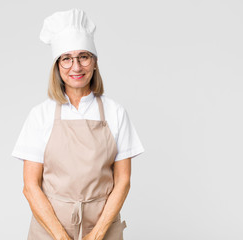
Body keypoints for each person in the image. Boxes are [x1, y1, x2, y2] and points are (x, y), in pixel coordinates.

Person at [11, 8, 144, 240]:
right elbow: (30, 186)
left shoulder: (115, 113)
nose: (76, 67)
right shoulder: (40, 115)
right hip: (49, 229)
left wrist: (97, 234)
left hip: (103, 227)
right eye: (66, 58)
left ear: (94, 62)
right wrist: (62, 237)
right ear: (57, 65)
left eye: (84, 56)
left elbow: (123, 181)